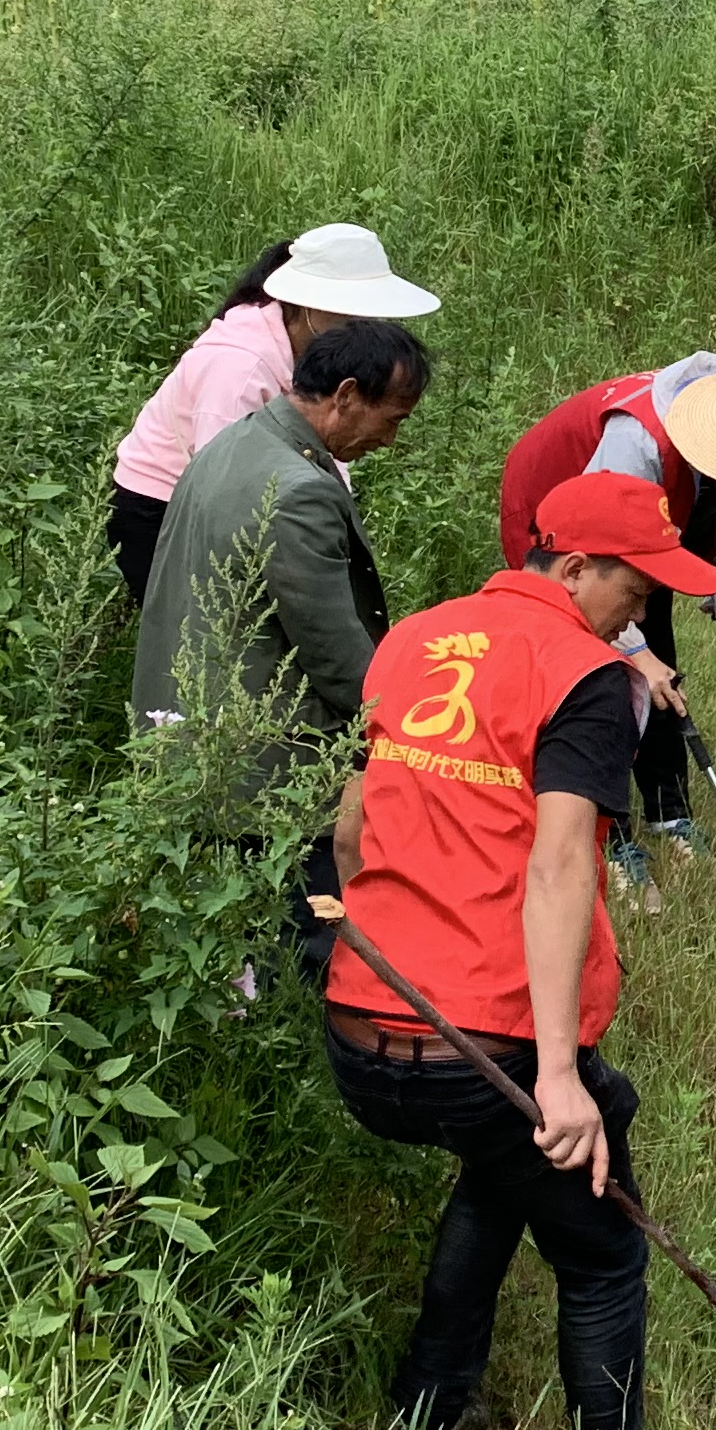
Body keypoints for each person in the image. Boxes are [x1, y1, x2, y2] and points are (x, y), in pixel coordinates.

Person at [317, 466, 716, 1430]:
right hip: (484, 1047)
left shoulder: (413, 639)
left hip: (363, 1025)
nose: (640, 613)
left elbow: (353, 824)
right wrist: (554, 1076)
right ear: (576, 567)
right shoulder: (585, 675)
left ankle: (431, 1408)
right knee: (602, 1255)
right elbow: (558, 867)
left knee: (505, 1169)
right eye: (634, 590)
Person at [134, 318, 430, 977]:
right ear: (345, 395)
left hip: (194, 730)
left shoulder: (236, 443)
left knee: (222, 935)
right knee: (307, 941)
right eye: (392, 418)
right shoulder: (300, 493)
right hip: (271, 756)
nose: (390, 439)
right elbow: (334, 651)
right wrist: (403, 728)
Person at [498, 356, 716, 886]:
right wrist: (634, 653)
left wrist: (715, 564)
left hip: (638, 536)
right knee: (597, 679)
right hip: (561, 532)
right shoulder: (637, 441)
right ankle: (608, 836)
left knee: (661, 670)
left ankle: (668, 813)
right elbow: (597, 556)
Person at [107, 224, 441, 601]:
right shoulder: (239, 366)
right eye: (355, 315)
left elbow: (320, 437)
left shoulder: (306, 347)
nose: (365, 329)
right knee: (201, 623)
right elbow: (222, 485)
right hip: (162, 509)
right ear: (309, 303)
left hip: (222, 503)